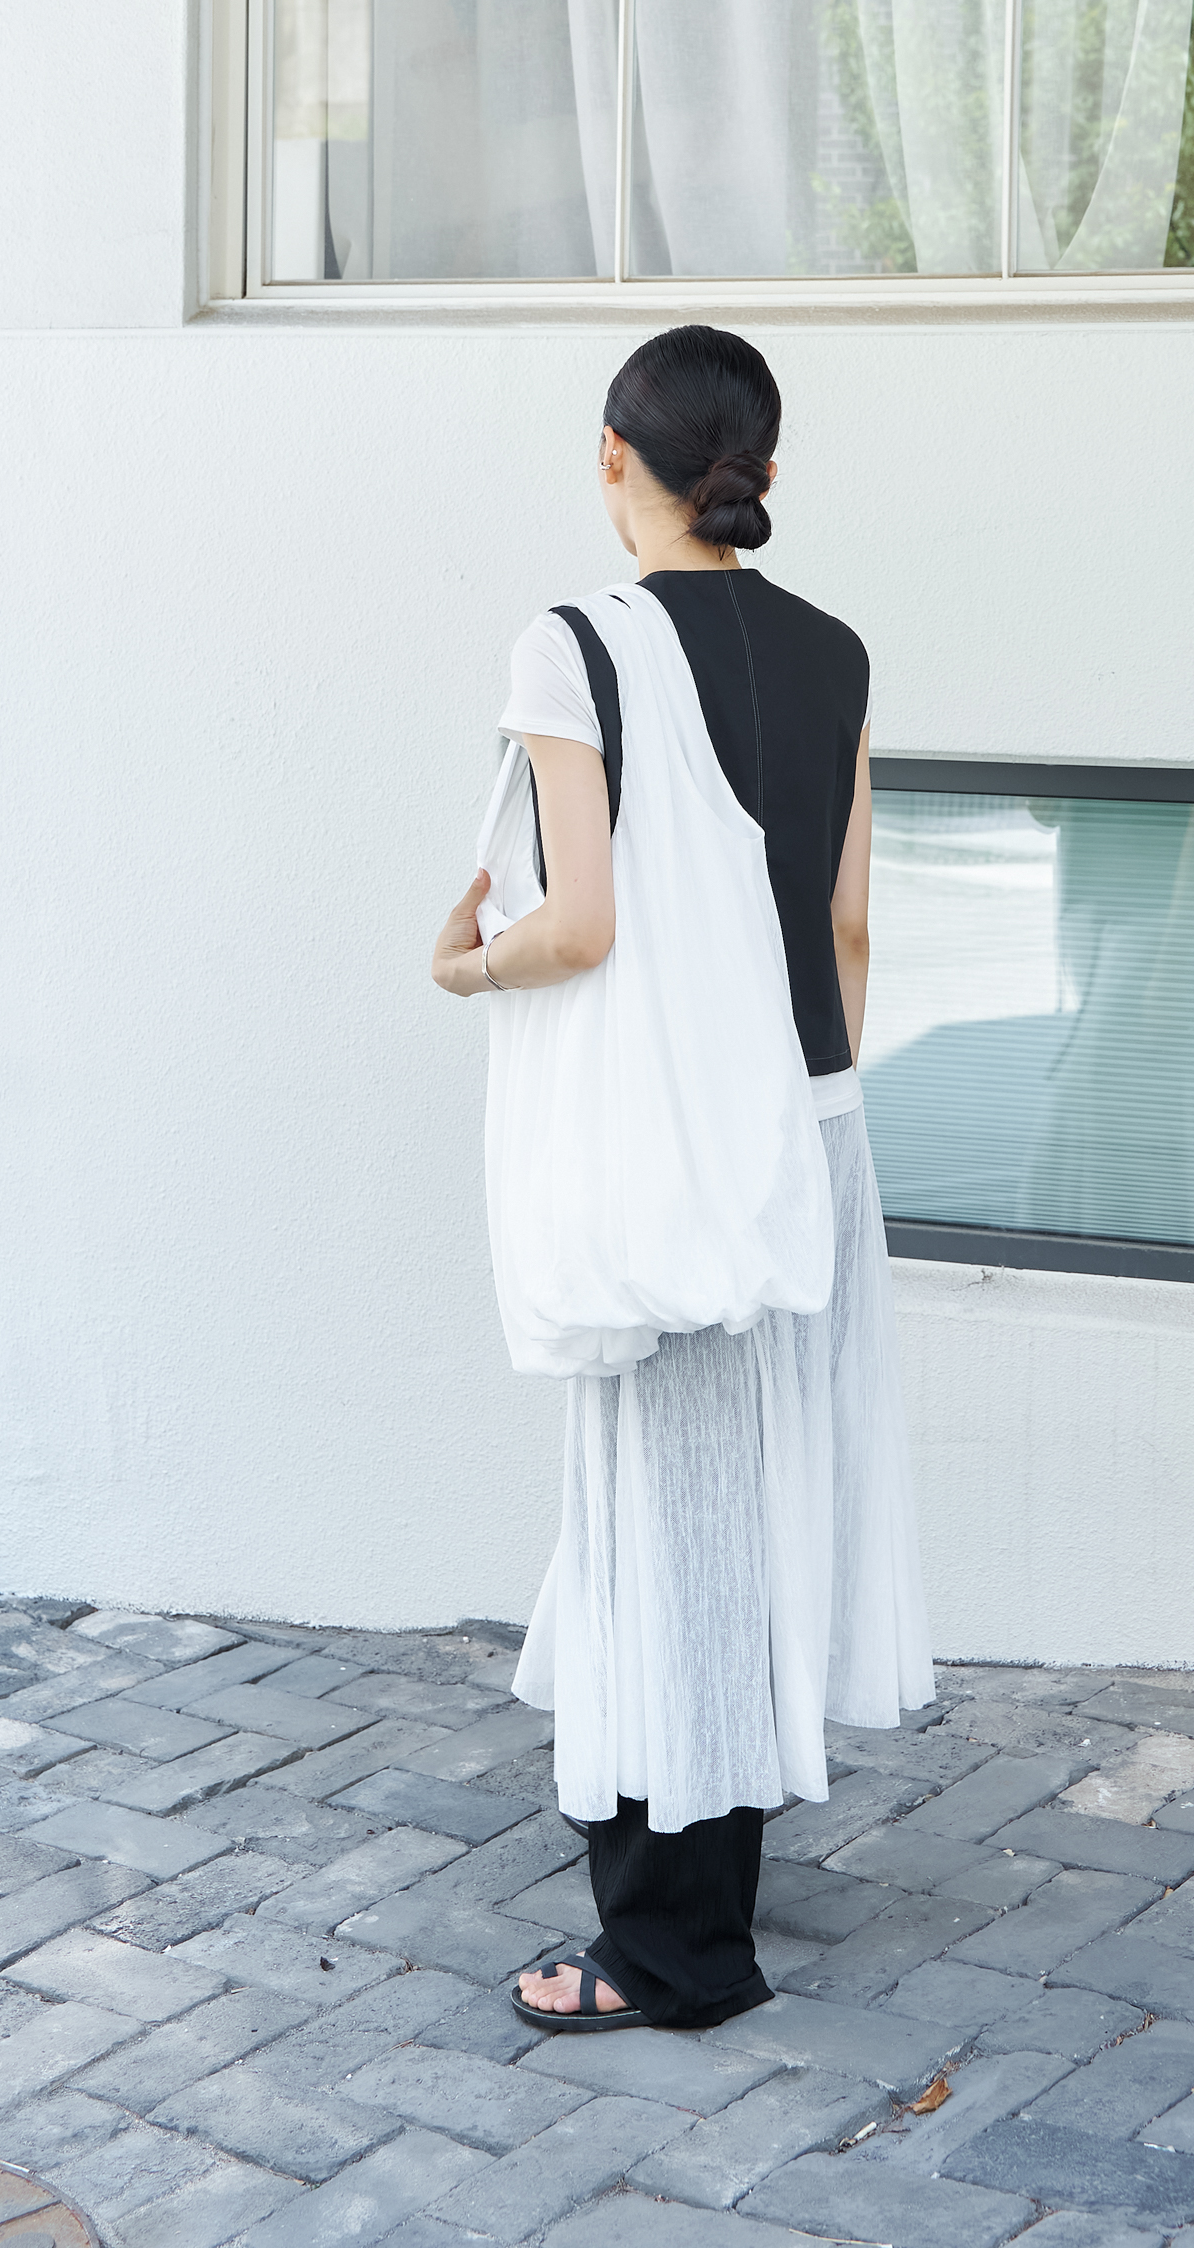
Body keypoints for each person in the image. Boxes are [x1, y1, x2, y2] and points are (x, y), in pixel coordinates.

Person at [431, 325, 932, 2033]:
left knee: (663, 1521)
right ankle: (708, 1870)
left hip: (672, 1146)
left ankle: (674, 1952)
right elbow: (848, 927)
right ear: (763, 475)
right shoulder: (838, 650)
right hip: (812, 1128)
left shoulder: (573, 646)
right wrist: (805, 1108)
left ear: (609, 456)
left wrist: (465, 967)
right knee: (752, 1511)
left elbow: (577, 924)